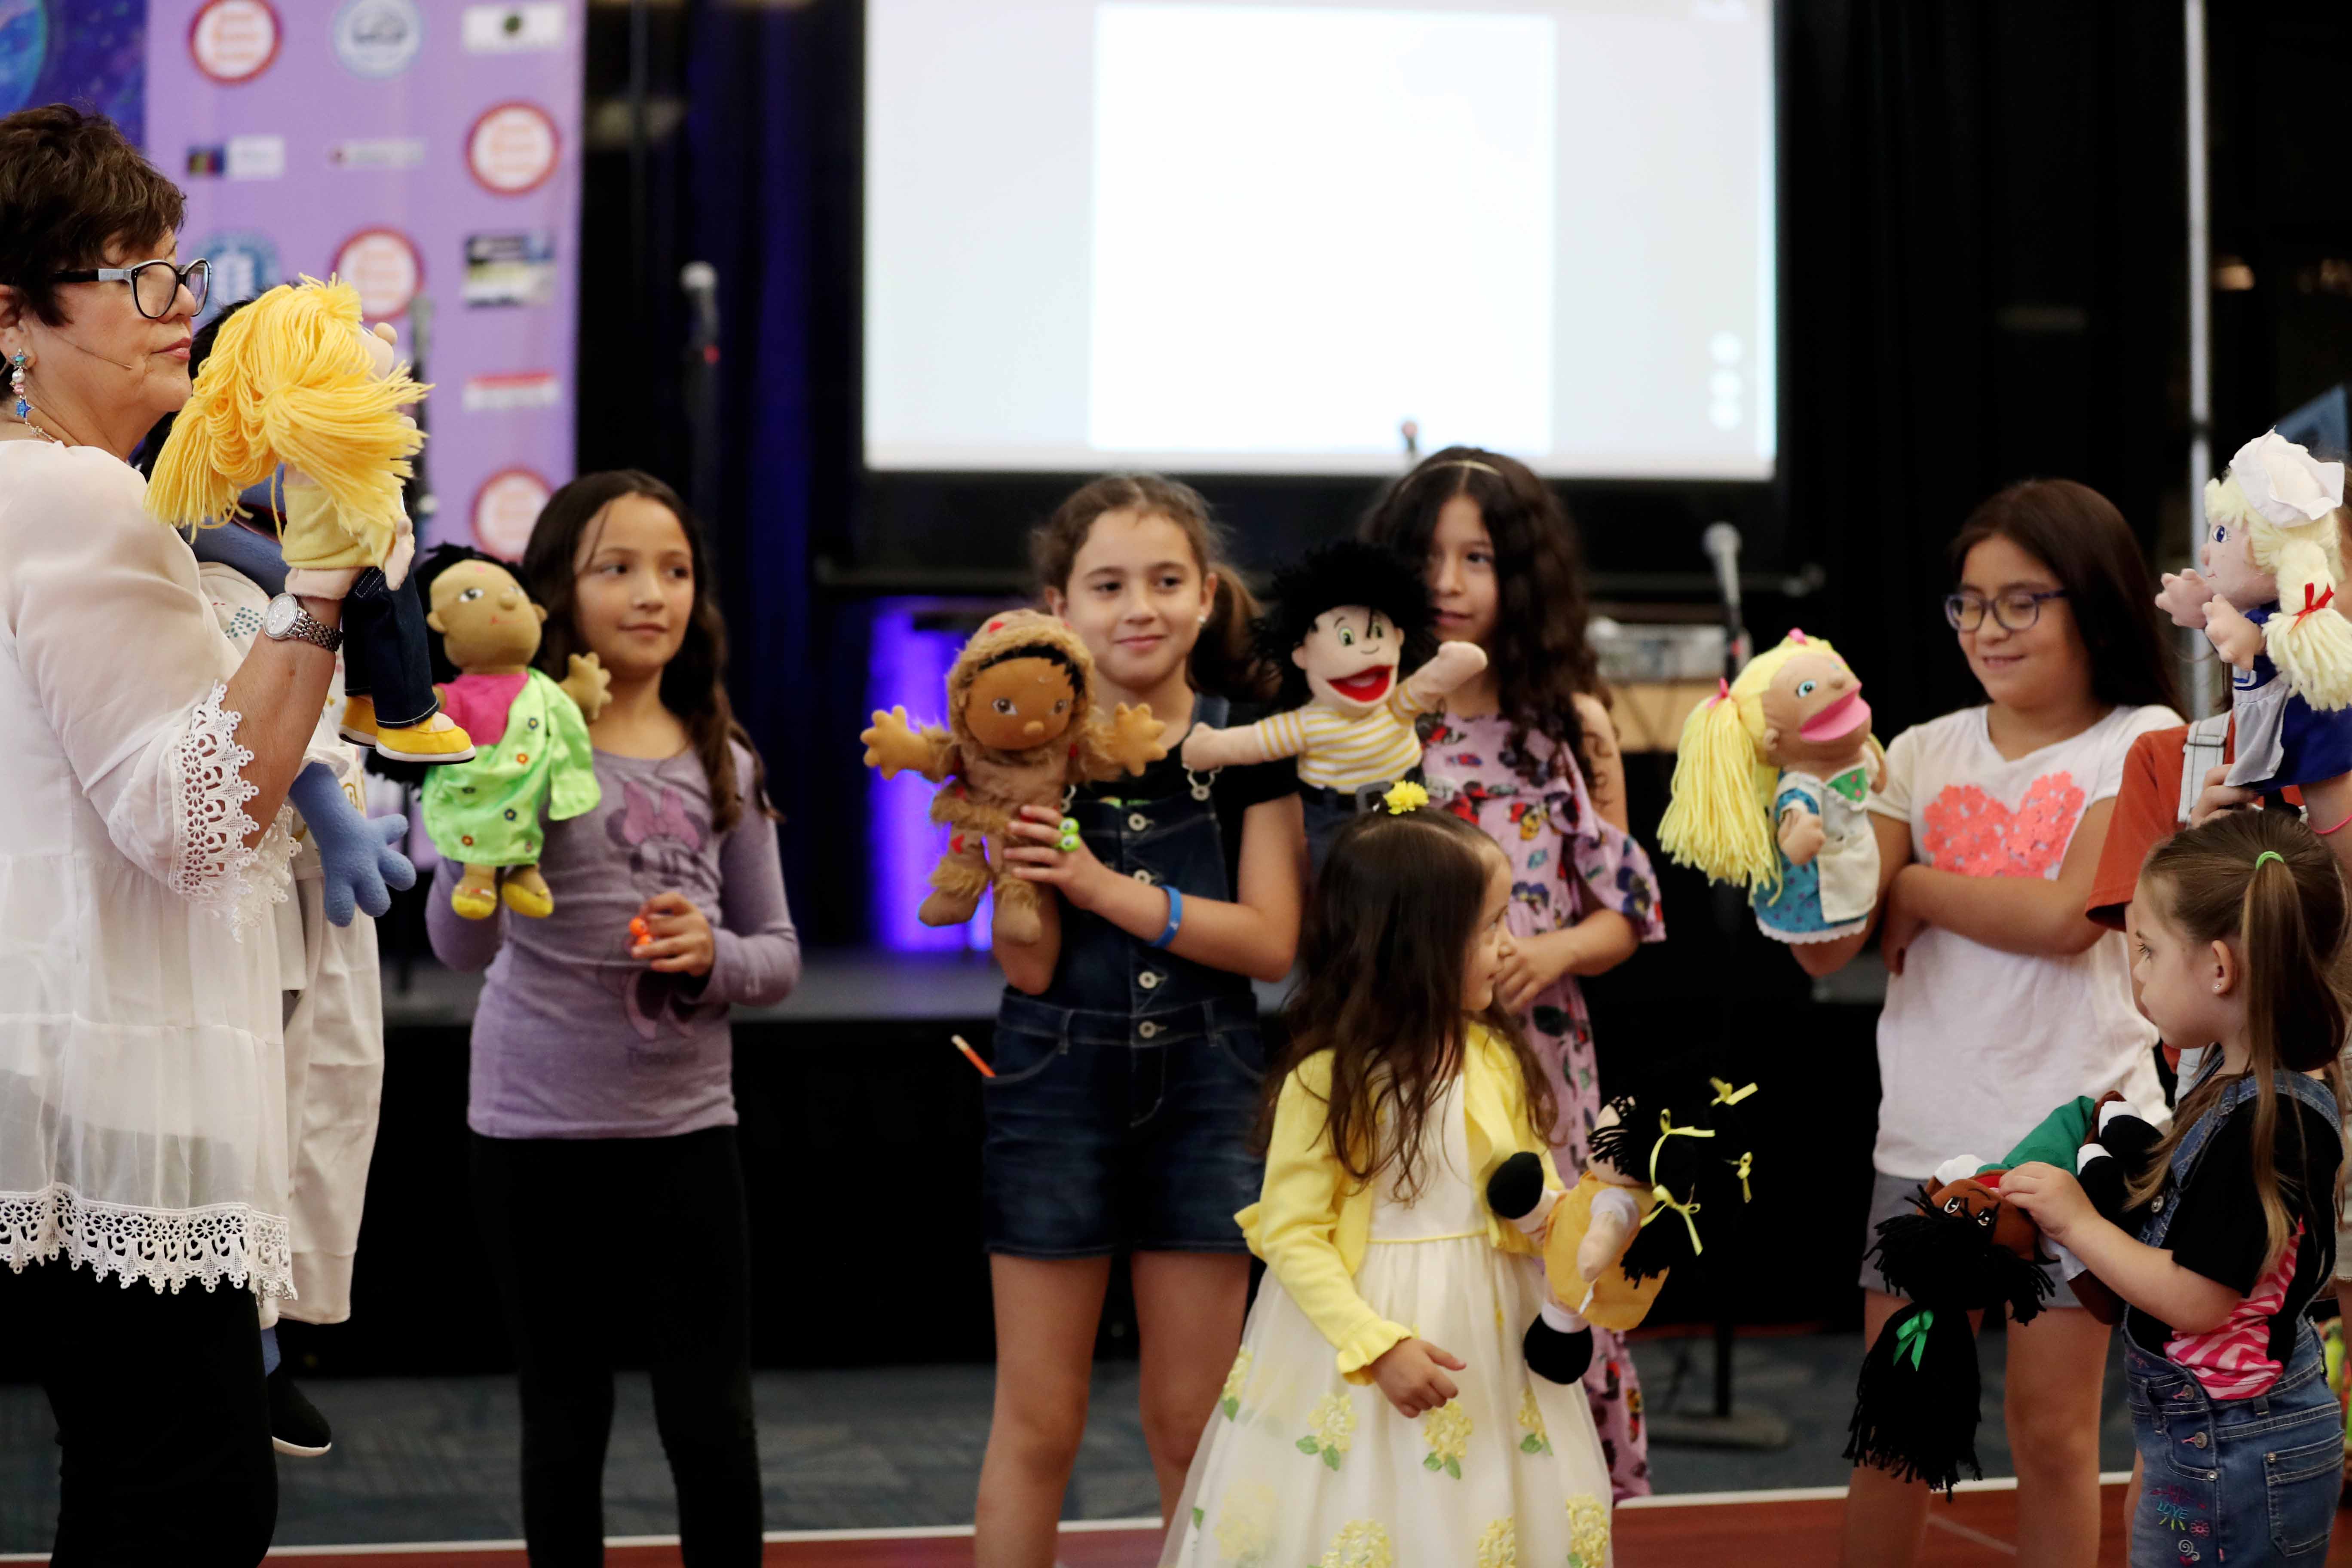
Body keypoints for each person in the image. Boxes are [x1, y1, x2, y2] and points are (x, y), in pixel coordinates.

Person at [0, 104, 349, 1562]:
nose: (176, 309)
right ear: (15, 314)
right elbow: (193, 817)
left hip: (56, 1072)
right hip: (110, 1082)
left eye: (178, 269)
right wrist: (319, 591)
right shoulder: (79, 496)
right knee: (185, 1498)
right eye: (131, 274)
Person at [1798, 479, 2185, 1568]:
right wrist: (1782, 829)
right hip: (1930, 1138)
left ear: (2094, 604)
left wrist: (1913, 888)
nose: (1989, 629)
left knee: (2053, 1434)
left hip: (2081, 1136)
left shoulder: (2144, 739)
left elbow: (2069, 917)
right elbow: (1829, 940)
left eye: (2024, 602)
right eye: (1970, 604)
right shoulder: (1915, 754)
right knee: (1898, 1433)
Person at [426, 471, 799, 1564]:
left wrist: (714, 954)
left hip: (686, 1135)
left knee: (710, 1424)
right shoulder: (507, 747)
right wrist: (488, 845)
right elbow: (462, 950)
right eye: (618, 568)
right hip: (534, 1136)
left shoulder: (722, 759)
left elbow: (779, 958)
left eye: (675, 570)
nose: (653, 594)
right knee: (564, 1422)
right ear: (554, 594)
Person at [974, 475, 1307, 1568]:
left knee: (1194, 1419)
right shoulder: (1028, 752)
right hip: (1051, 1085)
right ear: (1057, 608)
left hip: (1210, 1089)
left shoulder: (1250, 749)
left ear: (1207, 596)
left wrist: (1106, 886)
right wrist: (1013, 853)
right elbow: (1026, 971)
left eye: (1167, 581)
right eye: (1108, 584)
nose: (1140, 608)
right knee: (1039, 1422)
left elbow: (1270, 943)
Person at [1158, 802, 1614, 1568]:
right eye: (1489, 927)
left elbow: (1532, 1193)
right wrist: (1378, 1346)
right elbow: (1291, 1232)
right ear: (1416, 944)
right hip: (1369, 1337)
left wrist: (1592, 1228)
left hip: (1490, 1337)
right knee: (1375, 1512)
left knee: (1481, 1514)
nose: (1509, 949)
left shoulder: (1495, 1057)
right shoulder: (1329, 1082)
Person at [1360, 445, 1666, 1497]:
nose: (1447, 582)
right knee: (1427, 1272)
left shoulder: (1569, 724)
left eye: (1478, 557)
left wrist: (1548, 952)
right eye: (1427, 557)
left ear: (1522, 576)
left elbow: (1625, 911)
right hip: (1407, 1056)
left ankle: (1561, 1502)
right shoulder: (1376, 723)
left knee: (1553, 1267)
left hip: (1538, 1051)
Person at [2003, 810, 2346, 1565]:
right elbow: (2180, 1205)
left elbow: (2198, 1295)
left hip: (2239, 1451)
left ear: (2220, 970)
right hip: (2210, 1440)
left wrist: (2076, 1222)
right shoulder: (2234, 1081)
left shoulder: (2275, 1120)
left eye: (2149, 952)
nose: (2139, 976)